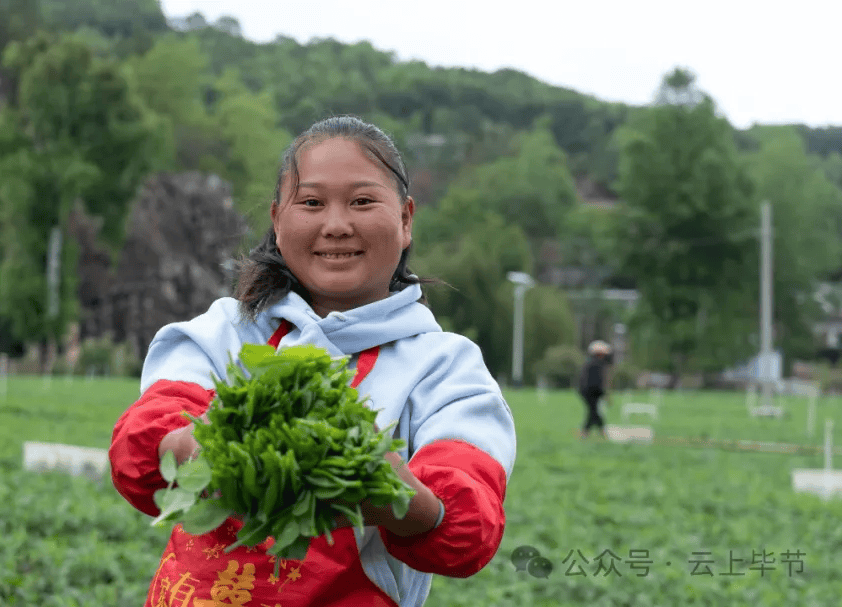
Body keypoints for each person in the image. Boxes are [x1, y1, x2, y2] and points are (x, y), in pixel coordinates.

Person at [109, 116, 516, 607]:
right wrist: (204, 444)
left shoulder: (445, 366)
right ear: (279, 221)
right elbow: (145, 447)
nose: (337, 224)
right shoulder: (224, 331)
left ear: (406, 219)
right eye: (312, 203)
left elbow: (466, 523)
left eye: (363, 201)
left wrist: (384, 487)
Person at [577, 340, 612, 438]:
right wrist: (604, 394)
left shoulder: (590, 363)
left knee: (593, 411)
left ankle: (590, 432)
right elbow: (597, 382)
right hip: (590, 392)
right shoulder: (597, 365)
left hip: (588, 392)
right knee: (594, 412)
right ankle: (596, 431)